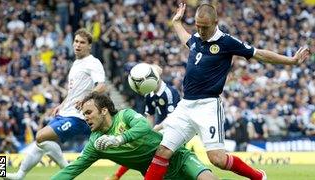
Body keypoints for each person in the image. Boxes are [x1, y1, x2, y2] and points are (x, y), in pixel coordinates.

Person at [144, 3, 310, 180]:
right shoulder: (196, 40)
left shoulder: (227, 42)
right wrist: (176, 23)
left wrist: (290, 61)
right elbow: (185, 36)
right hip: (185, 106)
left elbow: (259, 54)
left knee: (217, 159)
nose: (200, 31)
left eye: (205, 27)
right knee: (162, 151)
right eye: (198, 26)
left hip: (207, 106)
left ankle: (259, 177)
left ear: (216, 22)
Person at [5, 28, 107, 180]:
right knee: (40, 143)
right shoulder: (76, 63)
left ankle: (66, 169)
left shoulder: (93, 62)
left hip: (77, 116)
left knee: (41, 137)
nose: (78, 45)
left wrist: (86, 99)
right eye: (76, 41)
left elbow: (101, 86)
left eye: (82, 42)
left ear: (89, 46)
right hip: (66, 111)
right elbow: (73, 92)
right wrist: (62, 104)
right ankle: (20, 175)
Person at [51, 92, 218, 180]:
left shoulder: (125, 115)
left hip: (178, 158)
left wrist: (118, 139)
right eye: (84, 114)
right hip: (156, 175)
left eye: (88, 112)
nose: (85, 117)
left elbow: (144, 126)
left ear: (104, 111)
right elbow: (71, 171)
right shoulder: (96, 144)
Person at [106, 64, 181, 180]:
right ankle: (117, 176)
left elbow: (173, 118)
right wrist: (146, 130)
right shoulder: (149, 94)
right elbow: (150, 115)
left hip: (175, 129)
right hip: (161, 128)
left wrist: (155, 129)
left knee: (168, 162)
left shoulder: (170, 92)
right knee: (139, 147)